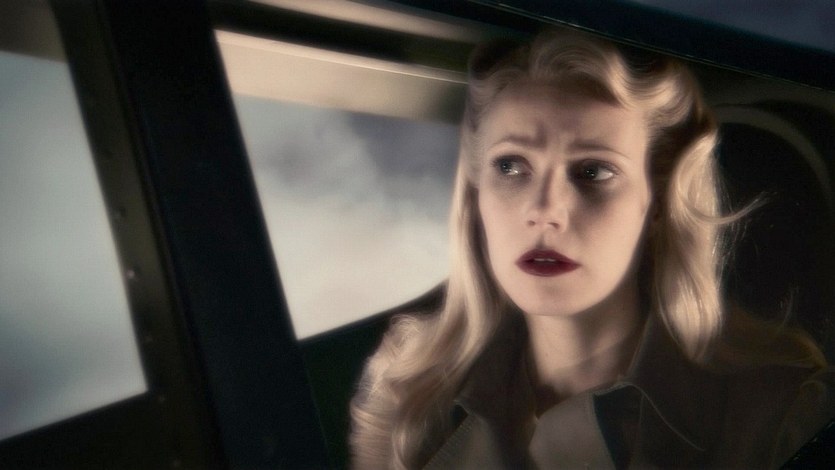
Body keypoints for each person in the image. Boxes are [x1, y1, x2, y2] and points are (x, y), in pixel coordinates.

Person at [349, 28, 835, 469]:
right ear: (476, 193)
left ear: (658, 201)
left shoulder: (782, 413)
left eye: (593, 171)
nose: (545, 210)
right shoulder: (407, 394)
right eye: (511, 166)